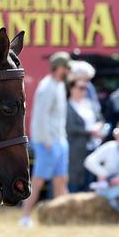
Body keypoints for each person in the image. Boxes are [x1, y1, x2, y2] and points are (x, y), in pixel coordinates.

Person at [19, 52, 72, 227]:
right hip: (47, 142)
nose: (68, 71)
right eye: (66, 67)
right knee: (38, 180)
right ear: (59, 68)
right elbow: (40, 116)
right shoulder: (47, 86)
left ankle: (62, 217)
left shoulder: (59, 85)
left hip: (59, 140)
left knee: (61, 180)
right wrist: (47, 140)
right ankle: (25, 217)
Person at [66, 77, 105, 193]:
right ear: (71, 88)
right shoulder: (67, 106)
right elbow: (70, 127)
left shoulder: (89, 104)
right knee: (75, 179)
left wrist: (99, 127)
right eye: (80, 88)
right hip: (76, 149)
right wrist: (90, 132)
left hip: (93, 147)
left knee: (90, 179)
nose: (83, 91)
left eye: (85, 88)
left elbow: (100, 118)